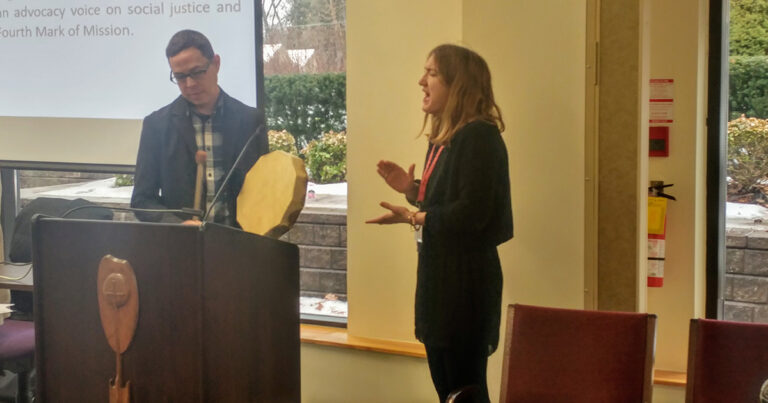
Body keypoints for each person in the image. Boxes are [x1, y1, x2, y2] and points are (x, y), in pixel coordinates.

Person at [366, 44, 513, 403]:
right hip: (440, 281)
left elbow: (473, 214)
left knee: (464, 392)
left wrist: (415, 216)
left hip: (464, 286)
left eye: (431, 73)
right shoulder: (446, 137)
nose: (421, 81)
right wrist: (412, 190)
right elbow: (450, 204)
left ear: (458, 84)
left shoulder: (478, 136)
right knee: (449, 392)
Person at [131, 29, 267, 226]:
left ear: (216, 64)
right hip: (183, 242)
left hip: (239, 240)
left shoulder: (250, 121)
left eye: (197, 72)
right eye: (180, 77)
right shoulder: (157, 126)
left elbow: (263, 192)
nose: (190, 83)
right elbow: (142, 201)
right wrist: (177, 225)